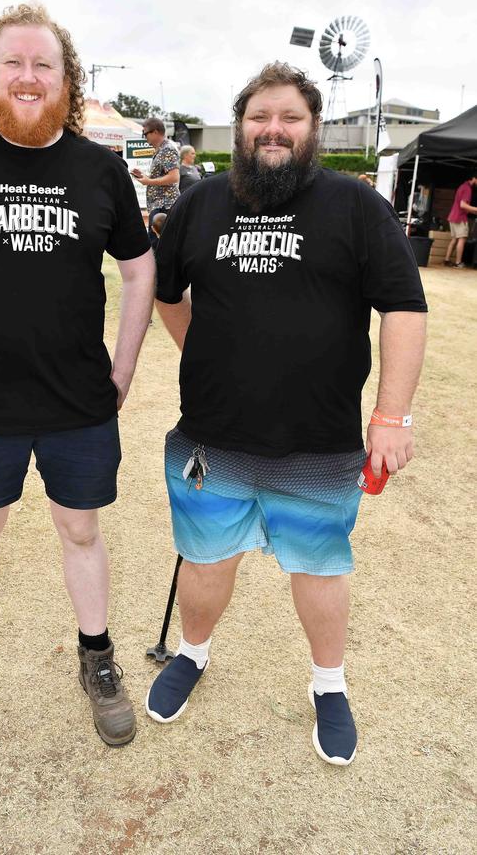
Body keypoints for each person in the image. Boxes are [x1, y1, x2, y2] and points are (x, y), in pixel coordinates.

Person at [145, 62, 427, 766]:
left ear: (313, 130)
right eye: (259, 118)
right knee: (205, 562)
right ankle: (192, 652)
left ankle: (328, 685)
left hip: (319, 444)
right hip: (212, 437)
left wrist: (391, 418)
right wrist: (202, 352)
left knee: (320, 570)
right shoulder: (200, 203)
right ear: (241, 128)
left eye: (289, 118)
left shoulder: (357, 208)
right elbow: (167, 292)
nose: (273, 129)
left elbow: (404, 307)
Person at [0, 2, 155, 757]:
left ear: (67, 80)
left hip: (78, 400)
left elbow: (140, 272)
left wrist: (125, 364)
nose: (29, 76)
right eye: (13, 62)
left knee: (80, 527)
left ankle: (97, 658)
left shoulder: (100, 169)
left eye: (45, 64)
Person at [131, 118, 179, 249]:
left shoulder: (167, 149)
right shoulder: (161, 150)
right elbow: (164, 176)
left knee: (157, 245)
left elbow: (174, 177)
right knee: (156, 244)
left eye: (145, 133)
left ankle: (158, 269)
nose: (144, 137)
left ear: (156, 132)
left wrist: (149, 181)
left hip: (164, 205)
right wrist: (143, 177)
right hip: (160, 205)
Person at [444, 176, 477, 267]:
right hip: (460, 218)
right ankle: (458, 262)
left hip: (453, 216)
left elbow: (461, 205)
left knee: (454, 239)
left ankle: (446, 259)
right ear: (474, 178)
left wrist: (474, 211)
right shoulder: (467, 189)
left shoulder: (462, 186)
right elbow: (463, 205)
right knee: (462, 239)